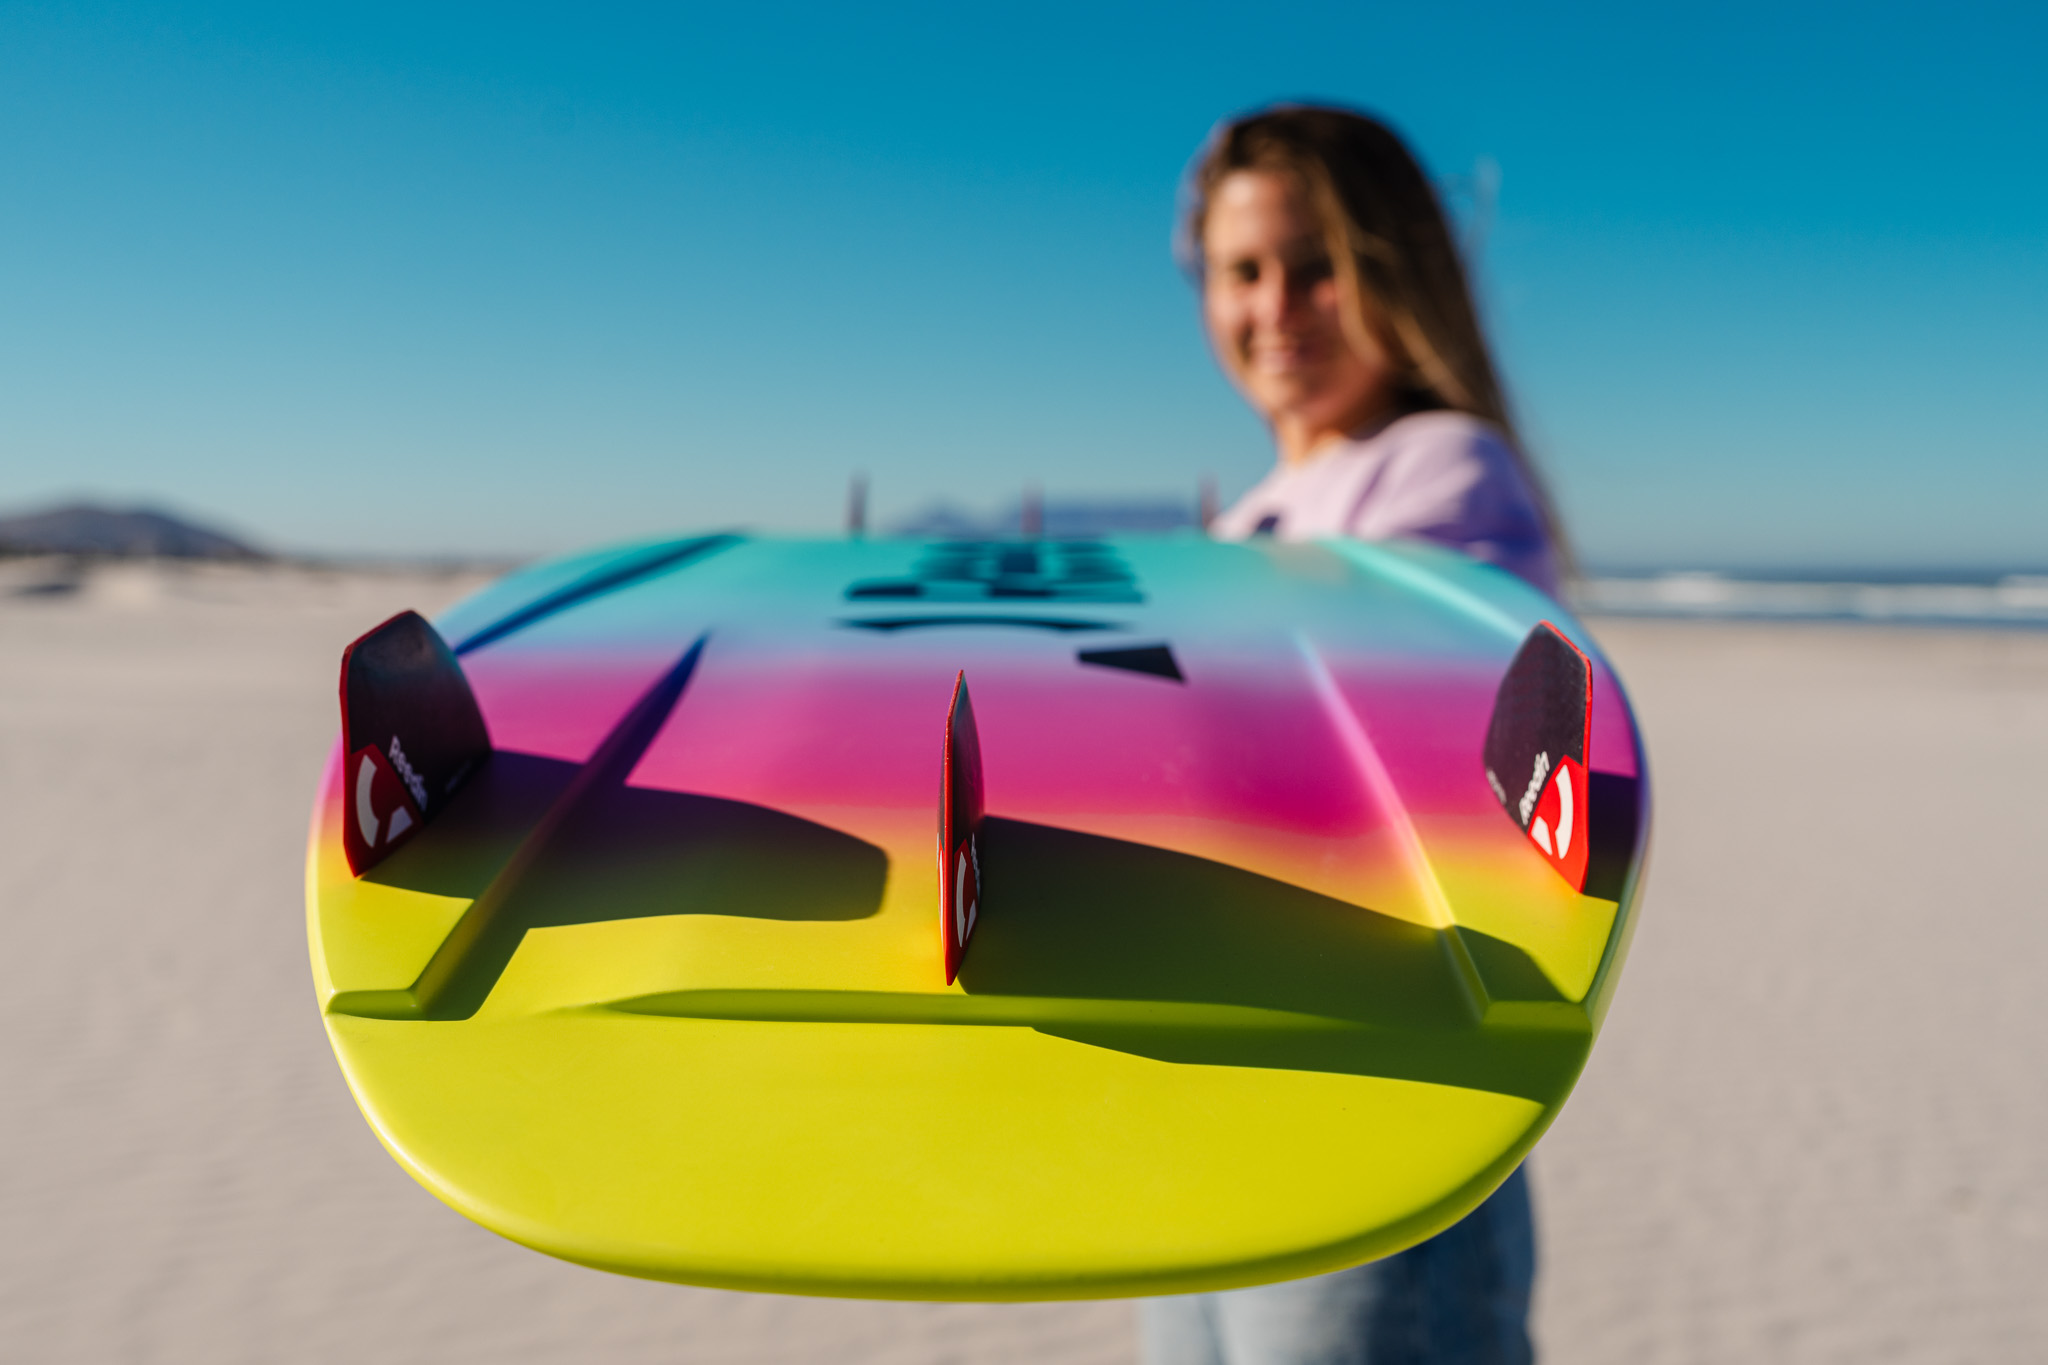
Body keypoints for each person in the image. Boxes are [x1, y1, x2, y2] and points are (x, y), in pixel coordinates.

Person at [1143, 105, 1564, 1365]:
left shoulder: (1442, 468)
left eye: (1314, 265)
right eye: (1242, 270)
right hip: (1213, 1101)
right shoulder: (1248, 519)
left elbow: (1396, 750)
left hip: (1374, 1111)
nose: (1275, 307)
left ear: (1394, 271)